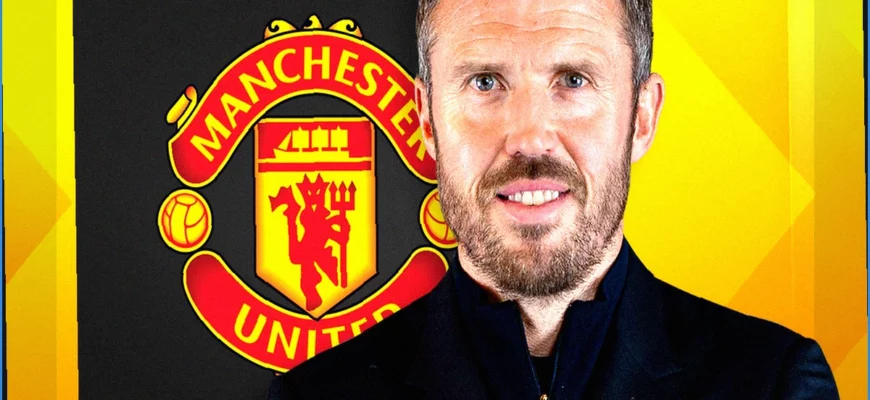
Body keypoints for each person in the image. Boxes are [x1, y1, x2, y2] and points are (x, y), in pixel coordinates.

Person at [266, 0, 840, 398]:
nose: (529, 138)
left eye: (572, 80)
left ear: (642, 116)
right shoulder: (314, 396)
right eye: (485, 82)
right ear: (426, 120)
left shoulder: (773, 383)